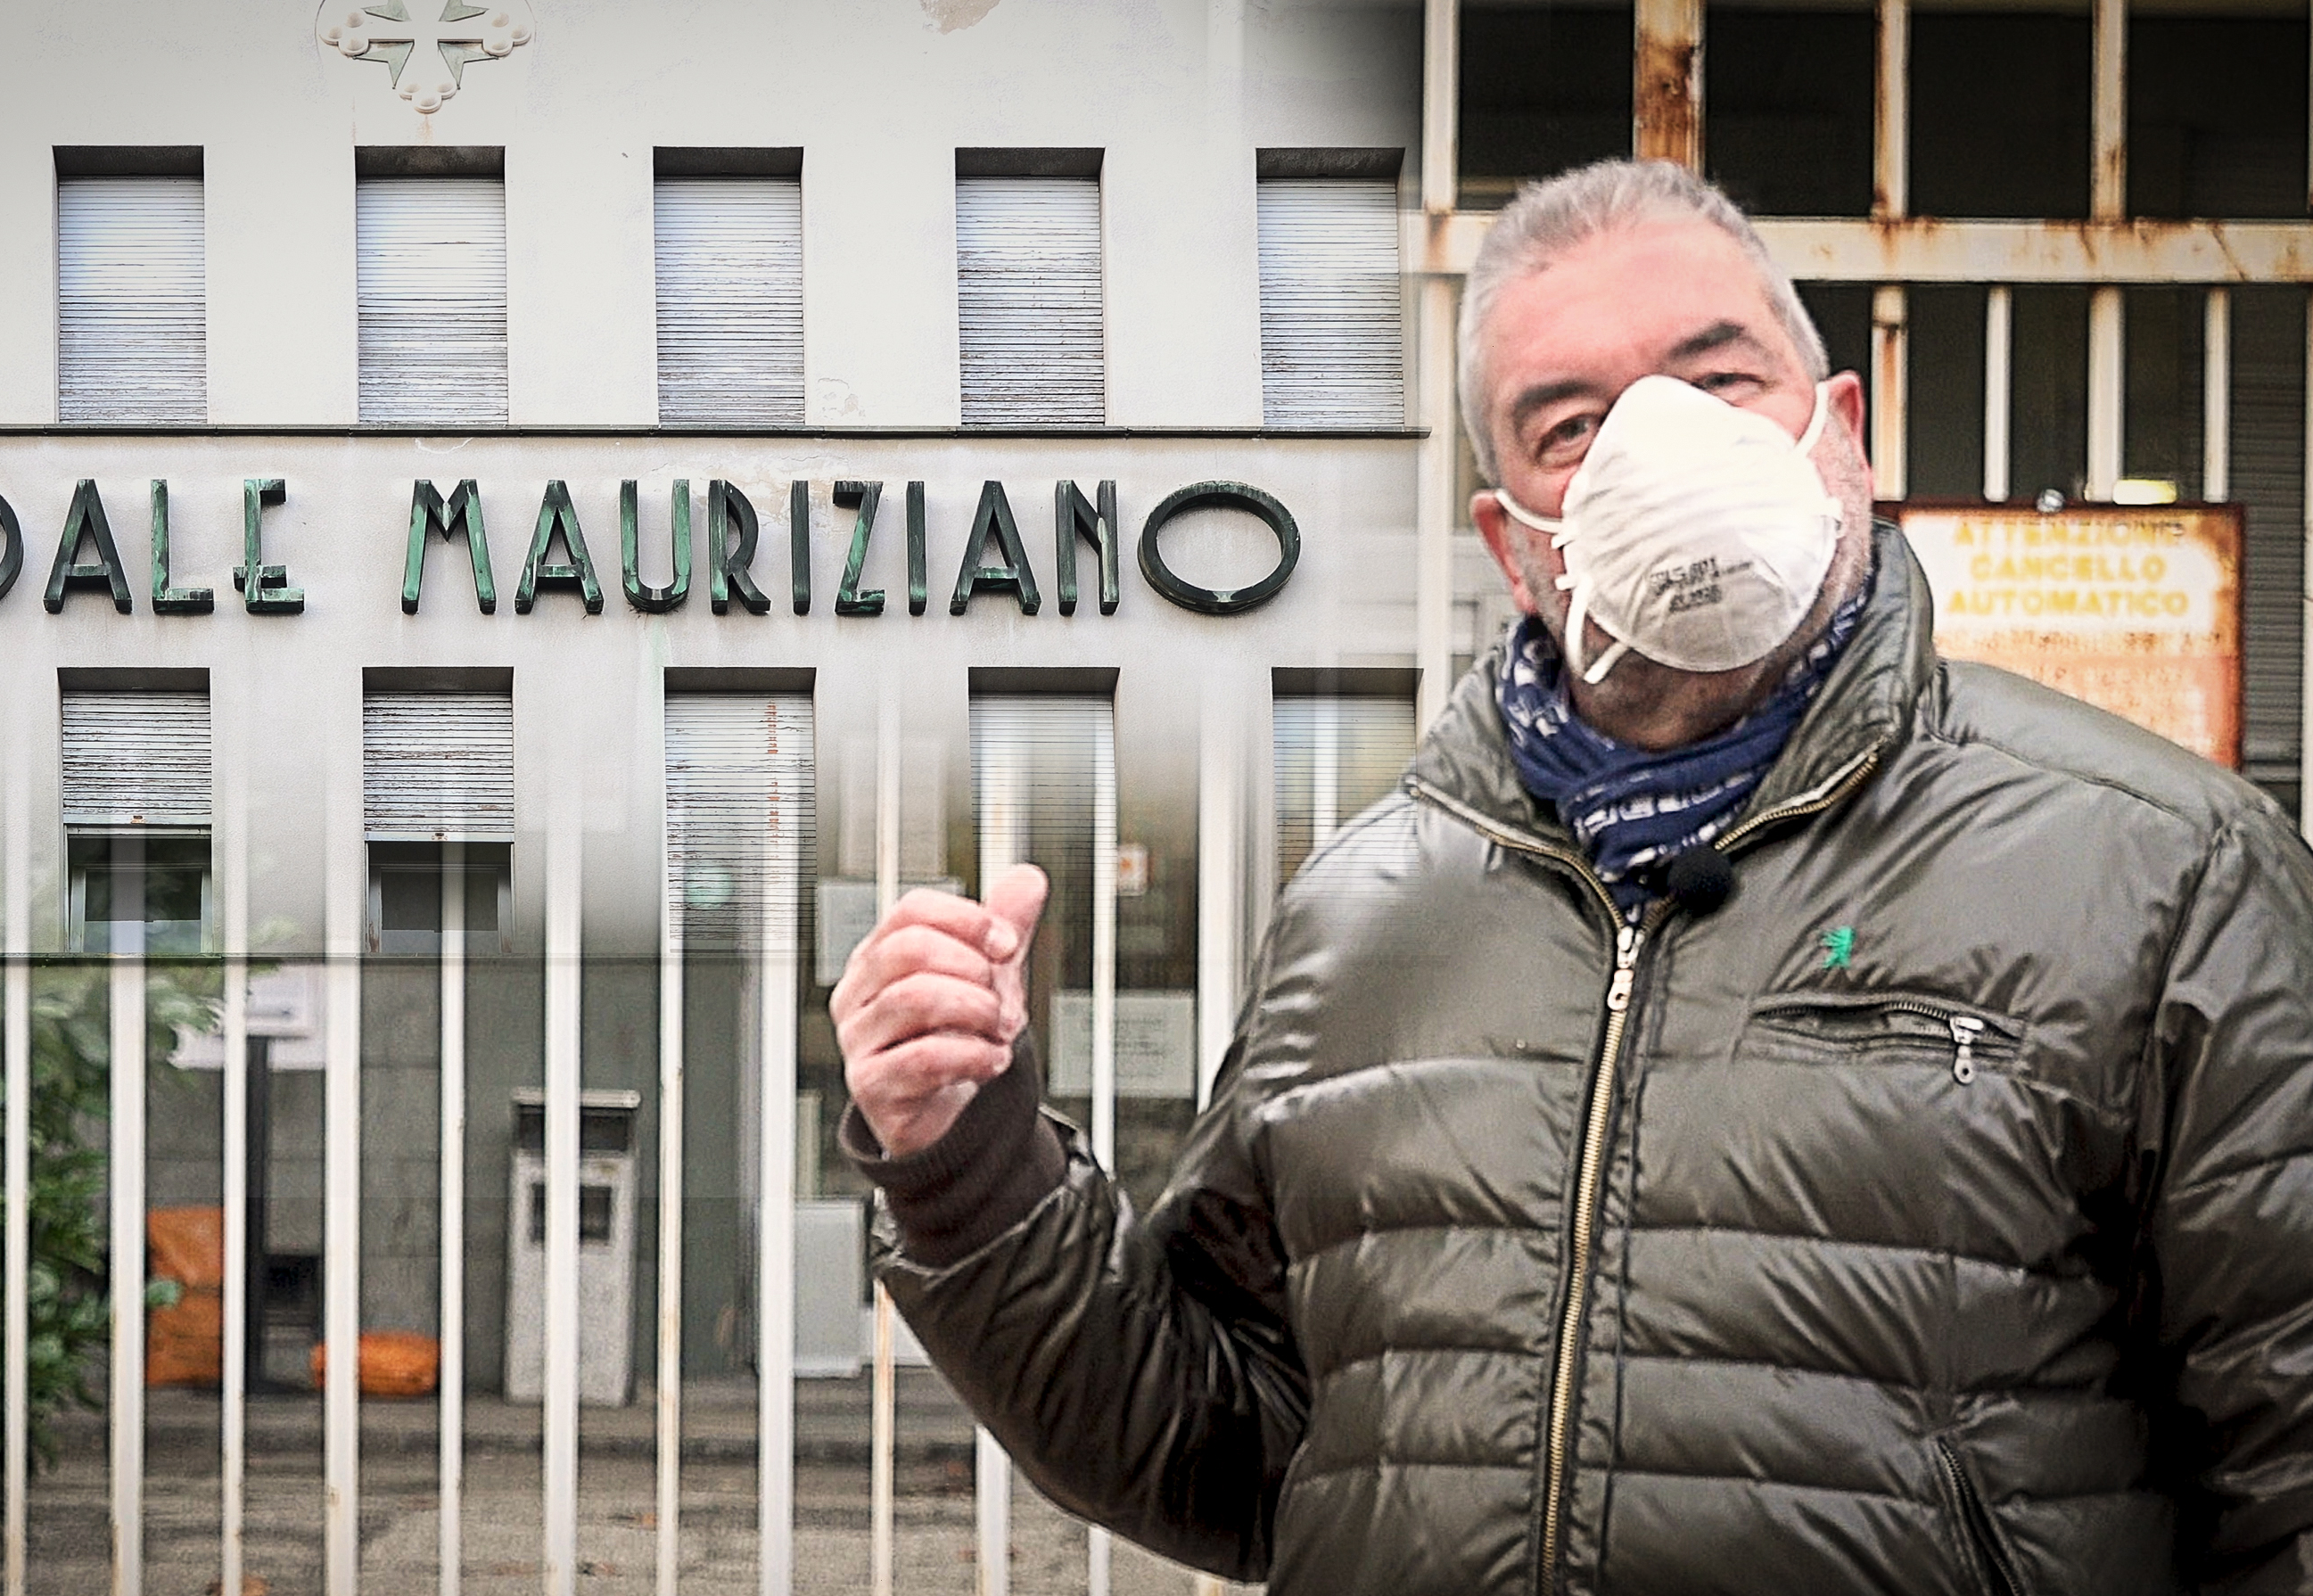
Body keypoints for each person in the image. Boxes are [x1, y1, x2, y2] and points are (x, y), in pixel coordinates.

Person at [827, 159, 2313, 1595]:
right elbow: (1237, 1447)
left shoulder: (2161, 871)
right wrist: (969, 1162)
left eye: (1719, 380)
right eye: (1572, 424)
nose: (1660, 446)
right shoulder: (1362, 916)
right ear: (1514, 541)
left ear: (1842, 431)